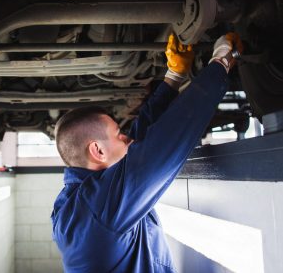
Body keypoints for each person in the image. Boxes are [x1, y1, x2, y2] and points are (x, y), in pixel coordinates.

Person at [51, 32, 243, 273]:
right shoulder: (96, 210)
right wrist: (220, 63)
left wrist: (173, 77)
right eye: (119, 134)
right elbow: (161, 146)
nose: (127, 137)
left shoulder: (81, 202)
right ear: (98, 150)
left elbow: (139, 143)